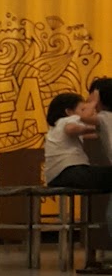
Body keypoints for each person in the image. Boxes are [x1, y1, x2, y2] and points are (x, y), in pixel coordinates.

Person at [44, 93, 112, 233]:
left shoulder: (55, 127)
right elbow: (71, 129)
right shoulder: (68, 120)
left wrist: (99, 129)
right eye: (82, 109)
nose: (85, 113)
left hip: (57, 176)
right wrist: (94, 124)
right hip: (71, 172)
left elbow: (90, 134)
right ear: (69, 111)